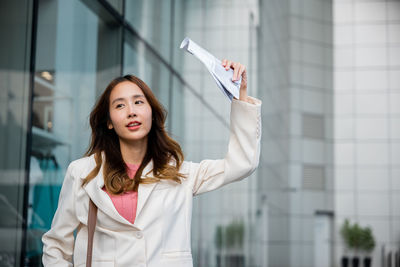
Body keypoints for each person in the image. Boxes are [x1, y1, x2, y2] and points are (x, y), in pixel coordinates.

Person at [41, 59, 261, 267]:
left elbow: (242, 163)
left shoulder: (179, 173)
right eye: (119, 106)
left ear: (152, 114)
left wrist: (240, 95)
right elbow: (56, 245)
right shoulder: (82, 172)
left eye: (138, 102)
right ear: (108, 122)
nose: (131, 111)